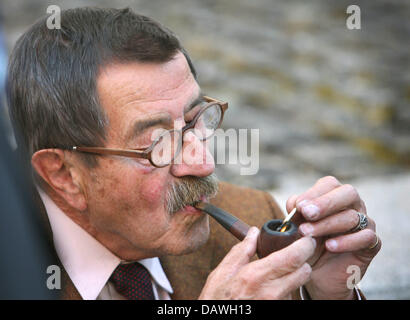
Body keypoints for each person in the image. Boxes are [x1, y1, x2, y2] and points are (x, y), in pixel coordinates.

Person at [6, 7, 380, 300]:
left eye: (195, 119)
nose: (204, 163)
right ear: (63, 174)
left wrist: (327, 297)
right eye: (158, 144)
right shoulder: (14, 274)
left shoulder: (253, 219)